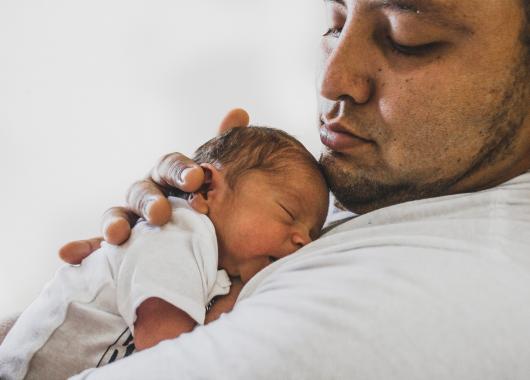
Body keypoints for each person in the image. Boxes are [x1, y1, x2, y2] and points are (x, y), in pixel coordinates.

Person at [2, 0, 530, 379]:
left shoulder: (405, 305)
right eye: (335, 22)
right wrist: (114, 278)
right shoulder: (424, 197)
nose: (331, 81)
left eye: (404, 38)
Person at [0, 127, 329, 380]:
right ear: (205, 190)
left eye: (312, 234)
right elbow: (166, 357)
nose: (302, 240)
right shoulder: (179, 234)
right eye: (288, 214)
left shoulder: (212, 259)